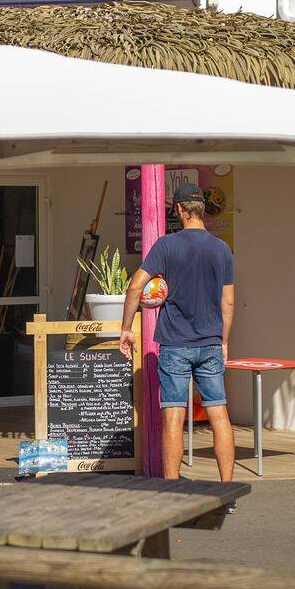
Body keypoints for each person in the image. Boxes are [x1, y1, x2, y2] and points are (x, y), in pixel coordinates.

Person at [120, 182, 236, 483]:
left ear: (180, 210)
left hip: (174, 344)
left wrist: (126, 328)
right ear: (202, 211)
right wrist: (224, 341)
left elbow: (135, 286)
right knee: (219, 413)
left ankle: (173, 489)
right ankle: (227, 489)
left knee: (173, 414)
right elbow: (228, 301)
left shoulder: (166, 246)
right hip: (210, 343)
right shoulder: (222, 249)